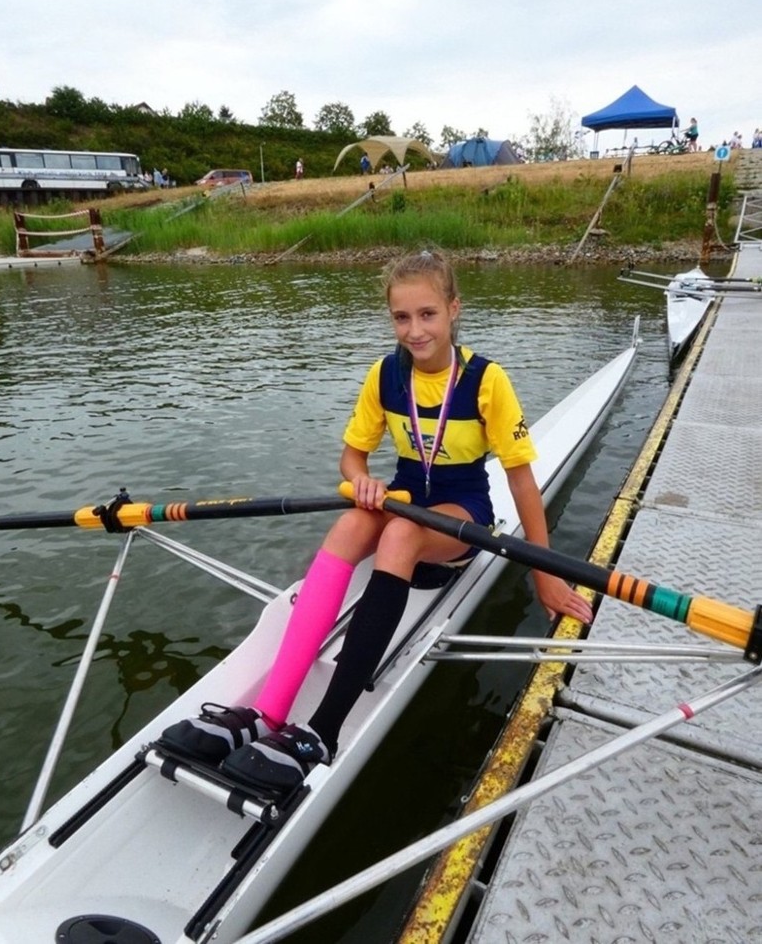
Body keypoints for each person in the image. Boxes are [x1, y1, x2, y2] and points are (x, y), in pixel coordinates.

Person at [161, 249, 593, 794]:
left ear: (454, 309)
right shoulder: (386, 375)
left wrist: (544, 572)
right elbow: (352, 458)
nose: (415, 330)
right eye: (401, 317)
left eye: (427, 314)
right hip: (404, 496)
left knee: (400, 533)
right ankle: (267, 714)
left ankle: (322, 731)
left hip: (462, 512)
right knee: (349, 525)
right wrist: (361, 481)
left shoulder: (486, 380)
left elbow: (522, 482)